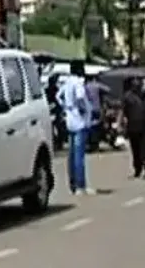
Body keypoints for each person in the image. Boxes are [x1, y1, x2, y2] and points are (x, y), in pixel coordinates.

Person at [57, 60, 94, 195]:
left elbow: (58, 96)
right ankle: (80, 186)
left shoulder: (66, 82)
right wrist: (83, 109)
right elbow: (79, 97)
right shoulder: (78, 82)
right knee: (79, 156)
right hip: (79, 121)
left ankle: (73, 184)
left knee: (72, 155)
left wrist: (66, 108)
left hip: (70, 119)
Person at [120, 77, 145, 179]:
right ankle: (138, 169)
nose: (137, 87)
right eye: (135, 85)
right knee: (135, 150)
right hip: (133, 128)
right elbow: (123, 112)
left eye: (139, 85)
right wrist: (121, 124)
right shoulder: (128, 97)